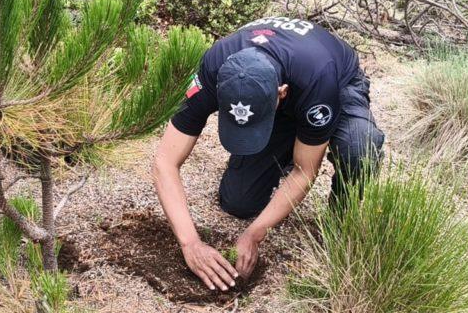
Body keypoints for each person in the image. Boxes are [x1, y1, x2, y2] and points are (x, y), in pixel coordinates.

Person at [152, 17, 385, 291]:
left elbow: (305, 171)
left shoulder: (318, 77)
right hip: (282, 96)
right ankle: (283, 148)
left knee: (359, 148)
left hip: (334, 85)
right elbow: (164, 162)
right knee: (238, 202)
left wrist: (254, 234)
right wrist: (190, 243)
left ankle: (340, 218)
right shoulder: (214, 67)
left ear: (281, 93)